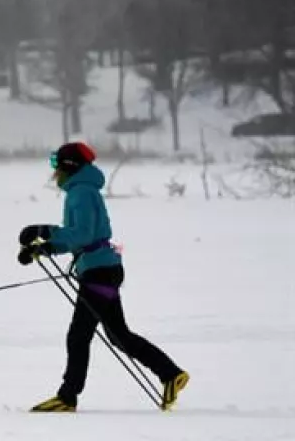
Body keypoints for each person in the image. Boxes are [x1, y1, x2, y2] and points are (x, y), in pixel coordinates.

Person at [17, 141, 190, 412]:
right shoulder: (82, 190)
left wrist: (44, 232)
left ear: (69, 166)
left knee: (79, 336)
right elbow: (79, 237)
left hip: (99, 273)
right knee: (118, 336)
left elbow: (83, 235)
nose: (54, 171)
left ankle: (67, 397)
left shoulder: (81, 193)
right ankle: (170, 374)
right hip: (104, 270)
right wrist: (44, 248)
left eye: (56, 164)